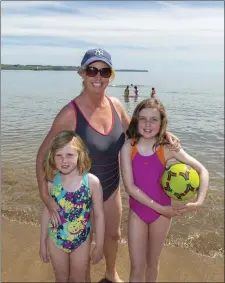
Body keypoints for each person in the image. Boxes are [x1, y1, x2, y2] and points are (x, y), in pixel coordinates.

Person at [36, 48, 180, 282]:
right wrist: (45, 195)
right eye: (92, 70)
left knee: (113, 235)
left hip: (111, 188)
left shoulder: (115, 105)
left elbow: (137, 129)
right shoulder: (70, 113)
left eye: (104, 71)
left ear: (110, 75)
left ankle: (111, 273)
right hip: (80, 192)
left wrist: (165, 134)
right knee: (85, 239)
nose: (98, 76)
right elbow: (44, 154)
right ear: (82, 73)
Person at [120, 98, 209, 283]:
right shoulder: (128, 147)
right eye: (143, 119)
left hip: (162, 216)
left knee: (153, 263)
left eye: (154, 119)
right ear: (136, 120)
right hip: (140, 212)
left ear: (162, 122)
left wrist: (199, 201)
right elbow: (130, 187)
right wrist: (161, 209)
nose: (148, 124)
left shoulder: (167, 148)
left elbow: (202, 170)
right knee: (137, 267)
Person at [39, 131, 104, 282]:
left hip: (81, 240)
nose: (64, 160)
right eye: (59, 156)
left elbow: (99, 215)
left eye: (69, 155)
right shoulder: (51, 183)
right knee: (61, 279)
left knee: (78, 279)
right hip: (56, 239)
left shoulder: (92, 182)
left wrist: (99, 244)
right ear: (52, 157)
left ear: (80, 155)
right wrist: (42, 242)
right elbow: (47, 213)